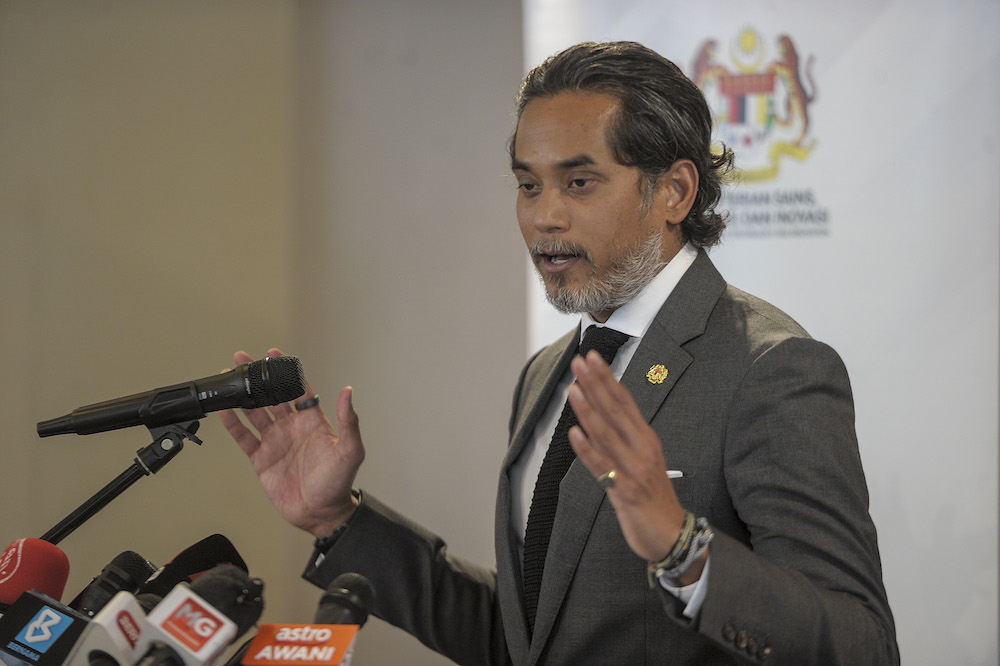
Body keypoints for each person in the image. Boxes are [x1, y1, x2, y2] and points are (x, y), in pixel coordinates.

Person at [220, 41, 898, 665]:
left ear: (674, 190)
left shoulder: (770, 369)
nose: (545, 216)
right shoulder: (549, 372)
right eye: (528, 184)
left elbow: (860, 644)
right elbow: (530, 641)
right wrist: (337, 520)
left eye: (579, 182)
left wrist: (682, 548)